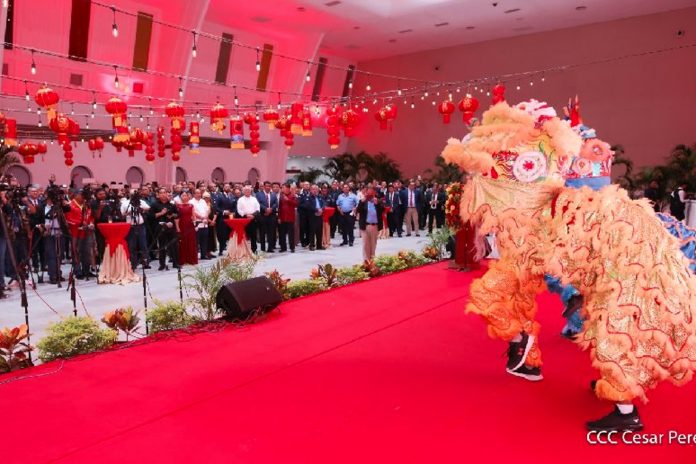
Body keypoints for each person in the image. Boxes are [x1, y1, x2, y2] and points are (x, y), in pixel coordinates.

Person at [65, 189, 95, 279]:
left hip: (87, 231)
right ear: (76, 195)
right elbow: (68, 219)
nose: (84, 197)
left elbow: (91, 217)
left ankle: (86, 270)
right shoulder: (69, 205)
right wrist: (80, 223)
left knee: (87, 251)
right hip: (75, 232)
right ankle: (77, 270)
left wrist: (91, 224)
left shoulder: (87, 205)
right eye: (82, 195)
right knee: (76, 251)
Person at [149, 188, 179, 271]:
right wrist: (161, 213)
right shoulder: (154, 205)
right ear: (158, 195)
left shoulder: (172, 205)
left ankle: (175, 263)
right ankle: (162, 264)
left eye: (164, 192)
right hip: (160, 229)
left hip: (171, 228)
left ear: (167, 194)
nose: (163, 194)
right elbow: (151, 216)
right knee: (162, 246)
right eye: (161, 193)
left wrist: (172, 215)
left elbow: (177, 214)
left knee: (174, 246)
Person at [121, 189, 151, 270]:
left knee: (143, 245)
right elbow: (122, 215)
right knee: (132, 246)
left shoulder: (140, 201)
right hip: (130, 227)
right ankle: (133, 263)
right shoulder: (125, 203)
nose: (133, 195)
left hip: (140, 225)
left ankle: (146, 262)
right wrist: (129, 212)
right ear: (129, 195)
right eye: (132, 194)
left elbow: (148, 208)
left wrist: (141, 209)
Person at [357, 187, 383, 261]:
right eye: (368, 193)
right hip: (365, 226)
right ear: (366, 194)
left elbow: (383, 210)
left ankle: (372, 262)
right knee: (366, 245)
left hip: (374, 226)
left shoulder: (377, 201)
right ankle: (366, 262)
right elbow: (358, 210)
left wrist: (377, 204)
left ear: (374, 194)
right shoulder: (363, 202)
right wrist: (362, 202)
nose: (370, 195)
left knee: (373, 245)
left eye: (371, 193)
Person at [299, 184, 324, 251]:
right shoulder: (308, 197)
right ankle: (312, 245)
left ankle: (319, 245)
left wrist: (322, 209)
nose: (315, 190)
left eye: (316, 189)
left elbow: (323, 204)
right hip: (312, 216)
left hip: (320, 215)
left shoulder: (320, 197)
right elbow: (308, 206)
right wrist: (316, 210)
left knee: (319, 231)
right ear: (310, 190)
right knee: (312, 231)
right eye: (313, 189)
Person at [236, 186, 261, 253]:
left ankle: (254, 250)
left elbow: (258, 208)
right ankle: (245, 251)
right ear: (243, 192)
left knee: (253, 236)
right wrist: (246, 215)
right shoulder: (240, 199)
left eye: (249, 191)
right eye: (246, 191)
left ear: (251, 191)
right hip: (244, 219)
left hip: (253, 219)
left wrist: (253, 215)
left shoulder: (254, 199)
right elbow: (239, 210)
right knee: (245, 236)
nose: (247, 192)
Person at [255, 181, 278, 253]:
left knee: (271, 233)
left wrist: (271, 209)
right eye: (266, 186)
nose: (268, 187)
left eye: (269, 186)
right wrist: (265, 209)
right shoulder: (258, 194)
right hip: (262, 216)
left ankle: (270, 248)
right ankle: (263, 248)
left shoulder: (273, 194)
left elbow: (276, 203)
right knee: (262, 232)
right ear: (264, 187)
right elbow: (258, 203)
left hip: (272, 216)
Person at [176, 191, 198, 266]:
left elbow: (194, 215)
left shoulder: (191, 205)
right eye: (183, 195)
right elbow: (176, 217)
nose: (184, 197)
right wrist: (177, 227)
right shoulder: (177, 206)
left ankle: (191, 259)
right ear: (180, 197)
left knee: (191, 241)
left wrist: (195, 224)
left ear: (188, 197)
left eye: (186, 195)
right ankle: (183, 260)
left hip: (190, 225)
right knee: (183, 242)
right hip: (182, 224)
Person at [214, 184, 235, 255]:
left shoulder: (232, 196)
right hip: (222, 219)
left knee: (230, 234)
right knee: (222, 235)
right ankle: (221, 250)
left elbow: (234, 206)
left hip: (230, 218)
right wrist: (223, 212)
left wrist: (233, 212)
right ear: (223, 188)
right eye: (226, 187)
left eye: (229, 187)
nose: (227, 188)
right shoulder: (219, 196)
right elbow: (216, 207)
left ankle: (231, 249)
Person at [191, 189, 211, 260]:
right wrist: (201, 217)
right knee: (196, 240)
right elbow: (193, 212)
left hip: (205, 222)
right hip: (197, 223)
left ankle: (204, 254)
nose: (199, 194)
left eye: (199, 193)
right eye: (197, 193)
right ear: (194, 194)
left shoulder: (203, 201)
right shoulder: (191, 202)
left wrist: (206, 217)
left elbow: (207, 210)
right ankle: (195, 255)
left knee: (204, 240)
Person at [278, 183, 298, 253]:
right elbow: (279, 208)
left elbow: (296, 204)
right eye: (282, 188)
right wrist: (279, 217)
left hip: (290, 218)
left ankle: (292, 248)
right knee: (282, 234)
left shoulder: (293, 195)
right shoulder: (281, 196)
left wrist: (288, 200)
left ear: (288, 188)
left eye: (283, 188)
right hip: (283, 218)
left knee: (291, 234)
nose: (282, 189)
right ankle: (283, 248)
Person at [297, 182, 311, 247]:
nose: (307, 186)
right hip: (303, 214)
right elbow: (299, 203)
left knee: (309, 228)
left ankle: (308, 241)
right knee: (302, 228)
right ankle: (302, 241)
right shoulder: (300, 193)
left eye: (308, 185)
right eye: (305, 185)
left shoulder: (311, 193)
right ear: (303, 186)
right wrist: (307, 206)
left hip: (310, 214)